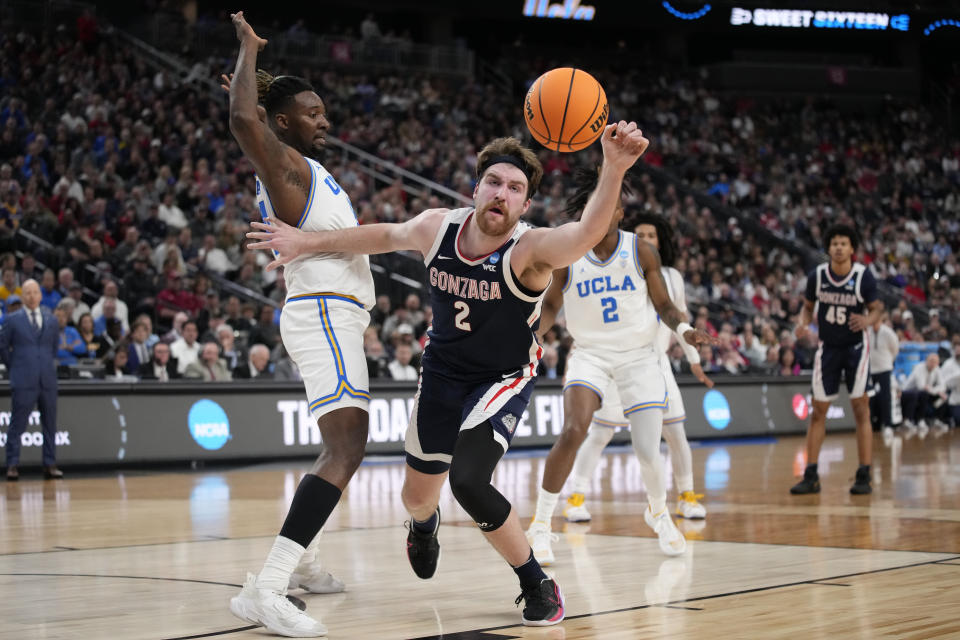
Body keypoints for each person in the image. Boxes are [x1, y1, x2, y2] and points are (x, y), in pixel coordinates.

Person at [249, 117, 651, 626]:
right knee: (416, 498)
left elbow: (584, 233)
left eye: (515, 188)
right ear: (476, 188)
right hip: (441, 372)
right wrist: (305, 244)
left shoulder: (530, 250)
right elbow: (382, 235)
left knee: (468, 479)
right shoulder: (438, 227)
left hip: (501, 378)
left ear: (525, 205)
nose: (501, 194)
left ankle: (537, 582)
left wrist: (612, 168)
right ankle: (423, 525)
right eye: (494, 183)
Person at [223, 12, 370, 638]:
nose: (324, 119)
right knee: (347, 447)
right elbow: (241, 120)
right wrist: (250, 54)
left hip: (335, 317)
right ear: (283, 122)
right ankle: (271, 587)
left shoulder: (315, 173)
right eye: (312, 112)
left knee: (335, 446)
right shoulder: (290, 167)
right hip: (325, 314)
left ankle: (301, 560)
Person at [525, 183, 714, 565]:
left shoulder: (640, 250)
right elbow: (551, 306)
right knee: (574, 429)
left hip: (639, 357)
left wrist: (684, 331)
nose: (601, 212)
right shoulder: (568, 254)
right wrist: (530, 334)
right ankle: (541, 524)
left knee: (647, 448)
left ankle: (658, 512)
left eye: (609, 206)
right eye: (594, 206)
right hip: (589, 354)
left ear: (619, 213)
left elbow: (664, 305)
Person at [791, 225, 882, 495]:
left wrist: (867, 319)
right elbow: (807, 309)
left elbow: (877, 308)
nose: (839, 247)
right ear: (829, 248)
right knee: (818, 411)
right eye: (835, 243)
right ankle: (811, 474)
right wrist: (802, 323)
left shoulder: (863, 277)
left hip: (855, 347)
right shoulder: (817, 276)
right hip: (828, 348)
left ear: (852, 249)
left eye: (844, 243)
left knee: (860, 408)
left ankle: (864, 472)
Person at [0, 280, 62, 480]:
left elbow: (53, 349)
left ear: (40, 296)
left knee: (50, 424)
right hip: (23, 378)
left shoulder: (51, 320)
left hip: (47, 379)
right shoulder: (12, 319)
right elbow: (2, 348)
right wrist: (15, 367)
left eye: (35, 292)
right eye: (28, 293)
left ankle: (50, 463)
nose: (32, 296)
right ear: (22, 296)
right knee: (17, 424)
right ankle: (12, 464)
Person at [867, 311, 899, 440]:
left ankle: (888, 425)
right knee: (869, 397)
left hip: (885, 368)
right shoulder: (867, 331)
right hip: (870, 369)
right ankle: (871, 424)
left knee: (886, 397)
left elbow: (895, 348)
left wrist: (888, 361)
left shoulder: (888, 332)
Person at [901, 353, 946, 437]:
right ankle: (916, 420)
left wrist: (936, 391)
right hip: (909, 393)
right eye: (931, 361)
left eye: (935, 362)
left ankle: (936, 419)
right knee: (924, 394)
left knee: (943, 397)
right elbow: (921, 386)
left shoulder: (937, 369)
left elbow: (943, 386)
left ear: (938, 363)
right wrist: (935, 390)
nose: (933, 364)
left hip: (925, 393)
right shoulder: (919, 368)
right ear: (926, 360)